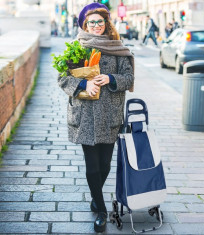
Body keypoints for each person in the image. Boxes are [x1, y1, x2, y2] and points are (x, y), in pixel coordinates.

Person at [57, 2, 134, 233]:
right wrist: (84, 83)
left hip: (110, 115)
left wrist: (110, 79)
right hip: (85, 116)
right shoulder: (76, 48)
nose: (97, 25)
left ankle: (95, 196)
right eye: (92, 22)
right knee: (92, 167)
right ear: (85, 24)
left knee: (105, 166)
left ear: (106, 23)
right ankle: (101, 210)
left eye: (100, 21)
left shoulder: (117, 47)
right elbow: (63, 79)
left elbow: (128, 78)